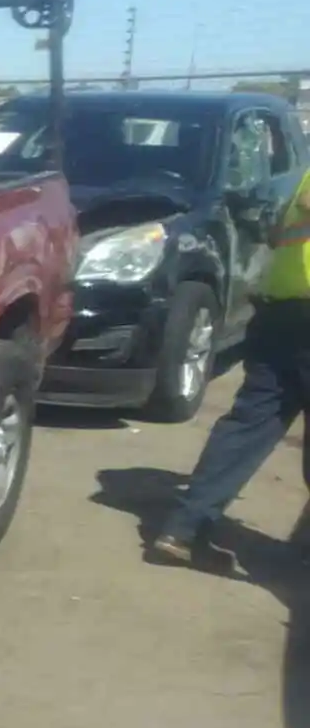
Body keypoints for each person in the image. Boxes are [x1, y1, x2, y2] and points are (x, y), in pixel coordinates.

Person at [148, 162, 310, 568]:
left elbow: (278, 234)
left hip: (282, 316)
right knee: (248, 424)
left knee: (248, 425)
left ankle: (183, 527)